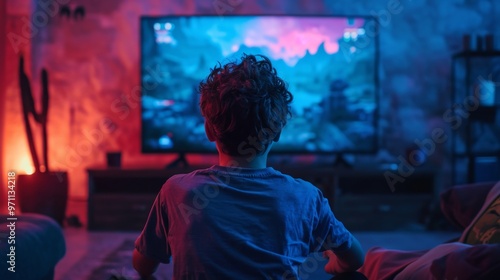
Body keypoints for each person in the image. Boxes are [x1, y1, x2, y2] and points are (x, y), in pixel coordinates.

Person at [133, 54, 365, 279]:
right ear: (277, 133)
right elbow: (355, 259)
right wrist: (335, 265)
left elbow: (143, 265)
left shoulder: (176, 191)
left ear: (209, 131)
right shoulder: (306, 196)